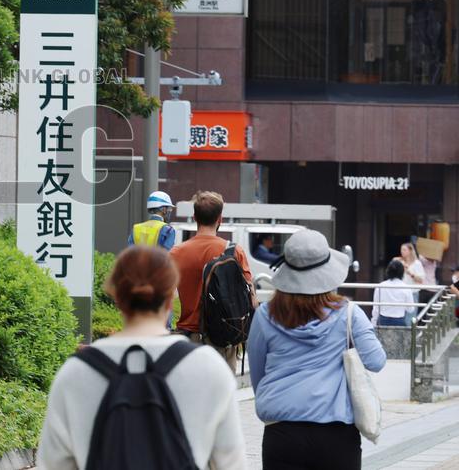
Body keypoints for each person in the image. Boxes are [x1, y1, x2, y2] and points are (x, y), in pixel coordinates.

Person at [37, 246, 246, 470]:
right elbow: (230, 463)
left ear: (117, 297)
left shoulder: (76, 373)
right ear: (169, 299)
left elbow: (52, 464)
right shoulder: (208, 368)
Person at [248, 229, 386, 470]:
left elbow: (258, 375)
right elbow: (376, 361)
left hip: (282, 432)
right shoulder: (349, 313)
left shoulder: (263, 315)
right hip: (337, 434)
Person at [170, 191, 255, 371]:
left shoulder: (176, 253)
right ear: (220, 219)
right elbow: (252, 300)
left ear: (194, 217)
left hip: (189, 340)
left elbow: (165, 299)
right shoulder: (233, 251)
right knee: (222, 396)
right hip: (223, 340)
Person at [371, 259, 414, 327]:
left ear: (388, 271)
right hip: (399, 320)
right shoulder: (406, 287)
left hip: (383, 319)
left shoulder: (380, 286)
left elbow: (376, 307)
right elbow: (410, 309)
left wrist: (373, 322)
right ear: (402, 272)